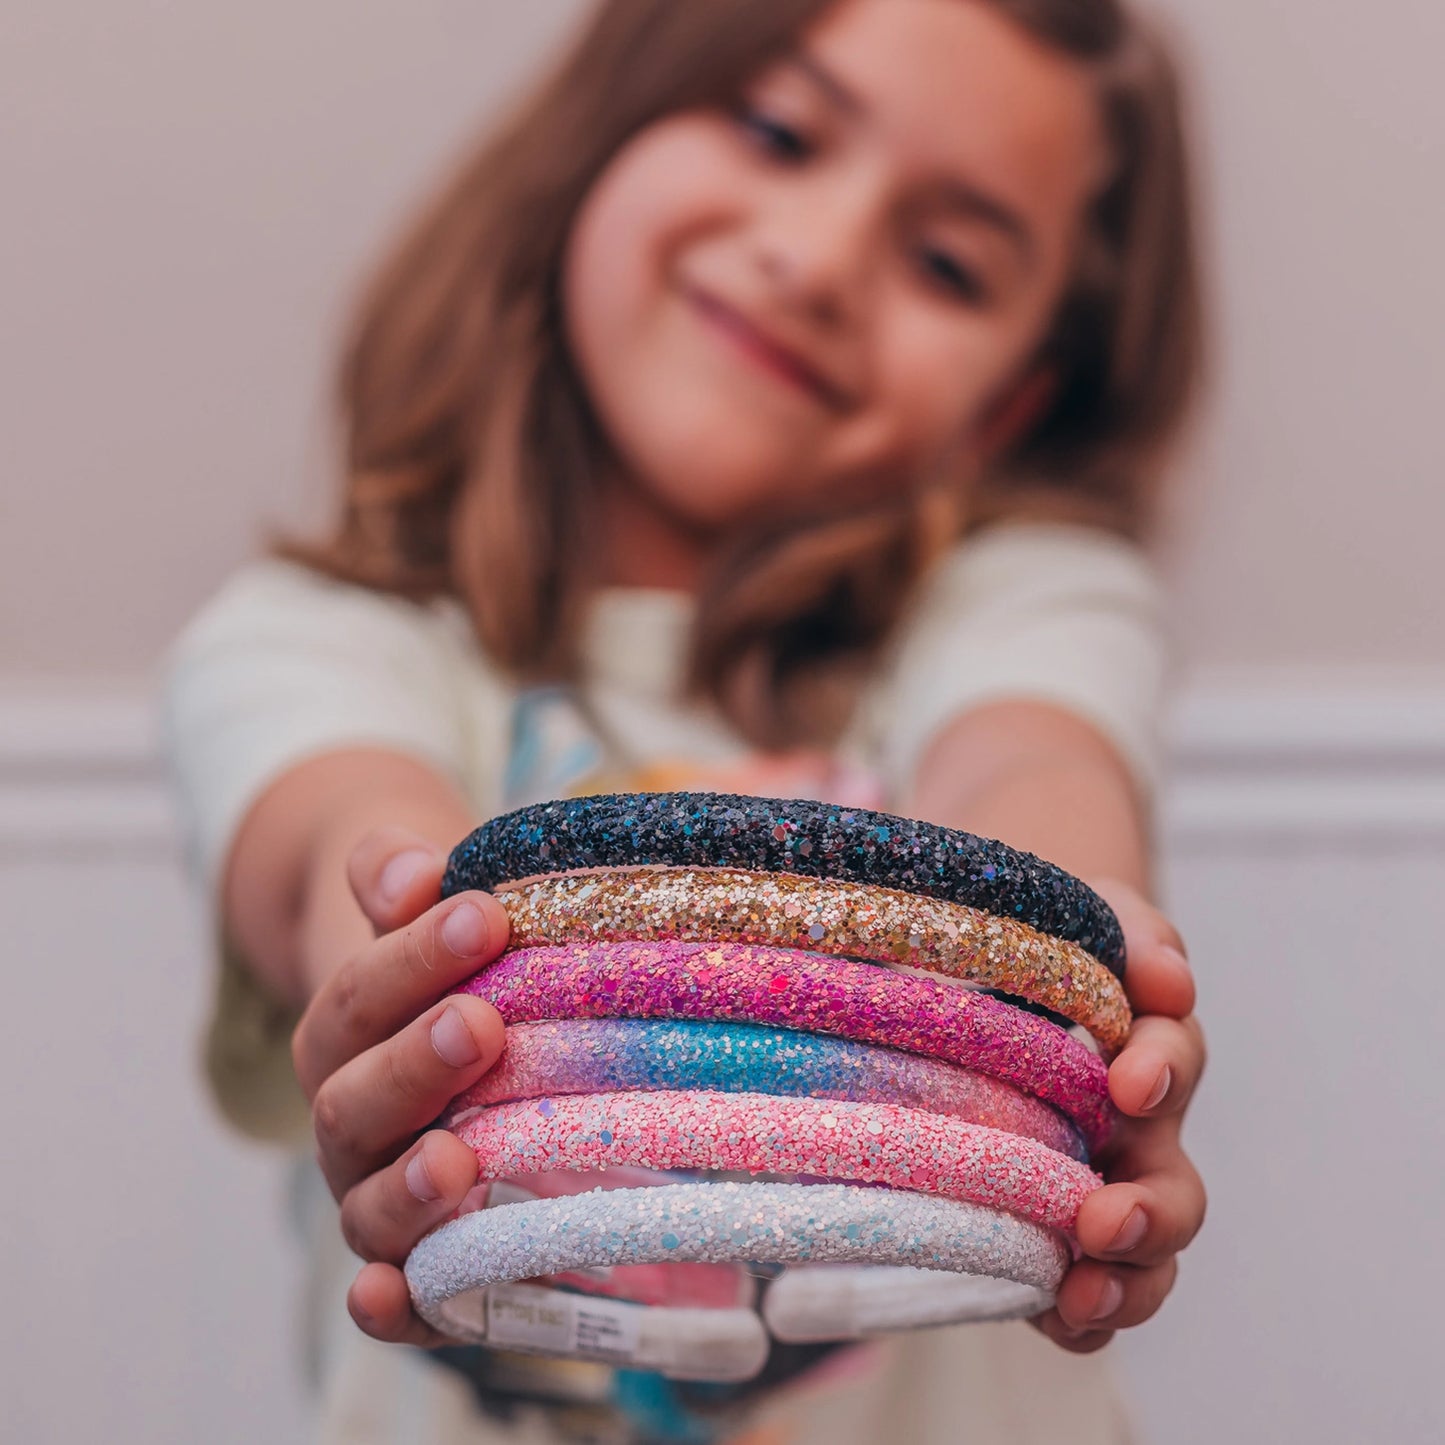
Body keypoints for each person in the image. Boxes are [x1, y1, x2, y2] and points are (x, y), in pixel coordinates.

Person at [162, 0, 1208, 1440]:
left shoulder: (1013, 598)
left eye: (948, 262)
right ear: (610, 126)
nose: (821, 260)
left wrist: (1083, 956)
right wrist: (403, 985)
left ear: (1006, 406)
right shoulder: (313, 634)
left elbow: (1030, 750)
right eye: (778, 130)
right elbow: (341, 843)